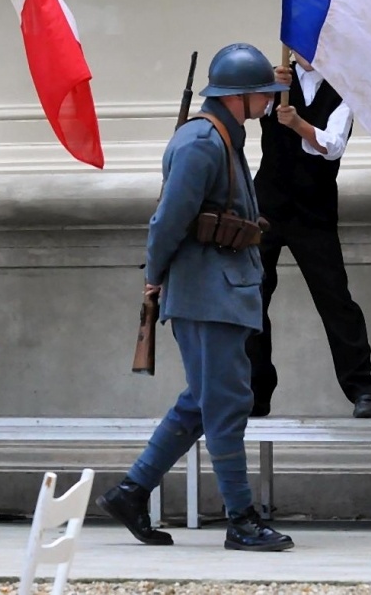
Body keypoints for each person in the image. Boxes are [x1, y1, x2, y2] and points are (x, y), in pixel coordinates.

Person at [98, 43, 295, 552]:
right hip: (209, 295)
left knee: (202, 403)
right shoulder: (203, 143)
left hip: (221, 292)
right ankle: (242, 519)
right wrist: (154, 274)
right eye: (262, 95)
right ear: (240, 97)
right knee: (226, 405)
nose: (269, 103)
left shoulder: (225, 139)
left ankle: (132, 490)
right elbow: (168, 220)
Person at [247, 52, 371, 419]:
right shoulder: (279, 82)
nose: (298, 52)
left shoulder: (344, 89)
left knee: (335, 299)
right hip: (267, 208)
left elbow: (332, 144)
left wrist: (298, 125)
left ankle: (363, 389)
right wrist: (267, 86)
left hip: (313, 211)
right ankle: (256, 390)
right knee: (252, 297)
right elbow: (248, 110)